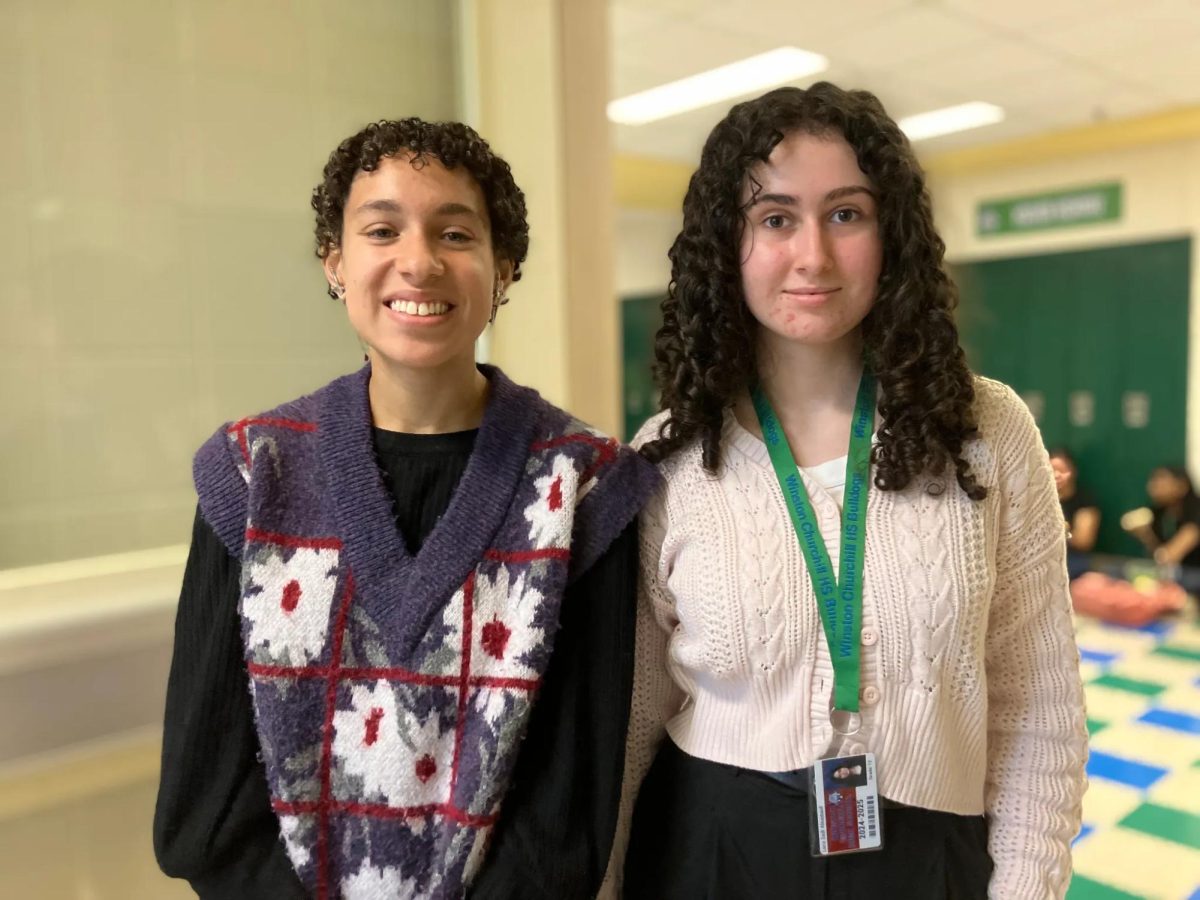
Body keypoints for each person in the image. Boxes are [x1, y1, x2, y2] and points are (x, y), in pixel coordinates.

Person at [153, 118, 658, 899]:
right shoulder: (254, 472)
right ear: (335, 262)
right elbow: (205, 810)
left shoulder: (581, 485)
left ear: (504, 268)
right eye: (382, 229)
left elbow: (566, 823)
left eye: (456, 233)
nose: (418, 262)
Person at [613, 83, 1088, 899]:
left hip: (929, 855)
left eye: (846, 214)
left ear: (891, 232)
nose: (812, 256)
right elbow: (628, 728)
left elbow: (1038, 714)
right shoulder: (670, 454)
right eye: (775, 218)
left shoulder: (989, 431)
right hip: (710, 852)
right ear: (727, 244)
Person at [1122, 465, 1200, 570]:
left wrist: (1146, 534)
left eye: (1161, 482)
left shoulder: (1196, 512)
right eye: (1153, 482)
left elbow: (1168, 558)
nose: (1153, 488)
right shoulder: (1160, 513)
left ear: (1182, 485)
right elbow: (1158, 556)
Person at [1049, 447, 1100, 579]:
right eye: (1051, 469)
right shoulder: (1038, 499)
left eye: (1062, 470)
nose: (1056, 475)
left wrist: (1063, 529)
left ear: (1072, 472)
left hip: (1073, 560)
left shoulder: (1084, 500)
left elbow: (1084, 541)